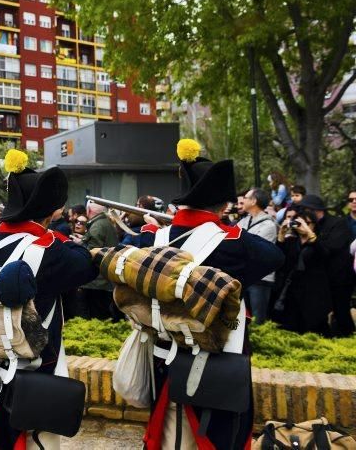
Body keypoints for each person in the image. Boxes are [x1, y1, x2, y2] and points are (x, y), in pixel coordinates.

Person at [135, 139, 284, 450]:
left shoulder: (153, 237)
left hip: (164, 359)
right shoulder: (235, 242)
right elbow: (274, 257)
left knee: (170, 436)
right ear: (222, 204)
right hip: (219, 363)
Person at [0, 149, 97, 449]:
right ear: (48, 212)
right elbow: (86, 263)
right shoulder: (48, 250)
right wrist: (53, 235)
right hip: (36, 382)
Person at [295, 194, 355, 336]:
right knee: (318, 311)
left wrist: (310, 234)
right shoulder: (310, 224)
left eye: (306, 209)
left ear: (315, 210)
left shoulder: (337, 224)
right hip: (318, 279)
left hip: (339, 278)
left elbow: (329, 249)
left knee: (340, 310)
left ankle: (345, 338)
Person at [275, 207, 332, 335]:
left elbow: (325, 254)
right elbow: (280, 258)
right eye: (300, 223)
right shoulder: (292, 241)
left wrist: (309, 232)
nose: (303, 226)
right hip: (294, 288)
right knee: (292, 324)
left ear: (314, 224)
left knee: (314, 326)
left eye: (308, 223)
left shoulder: (320, 240)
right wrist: (281, 235)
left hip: (315, 291)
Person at [237, 187, 278, 323]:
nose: (243, 200)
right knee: (243, 317)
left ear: (254, 201)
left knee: (257, 318)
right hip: (243, 277)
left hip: (261, 278)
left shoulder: (269, 225)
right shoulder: (244, 221)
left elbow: (254, 250)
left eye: (246, 197)